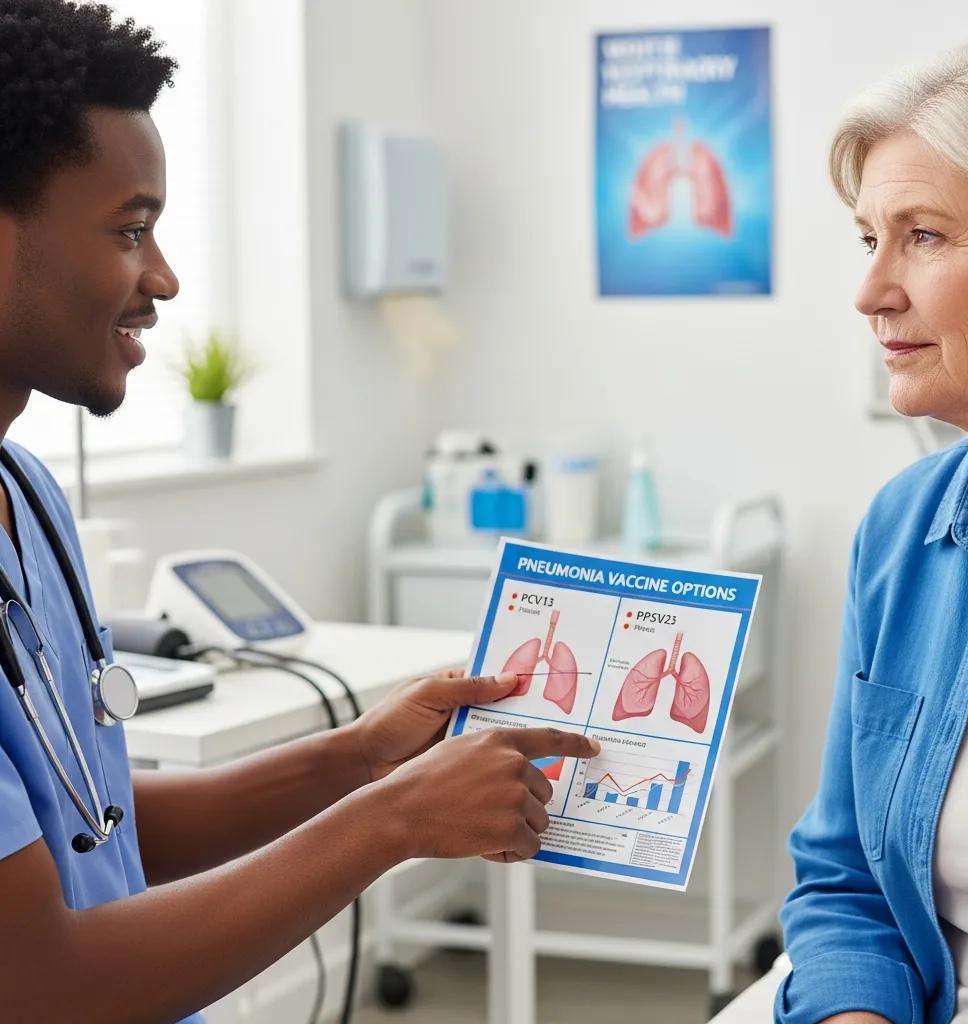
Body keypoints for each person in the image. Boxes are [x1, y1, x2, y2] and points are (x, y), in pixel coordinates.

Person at [0, 3, 598, 1020]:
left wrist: (357, 758)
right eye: (131, 230)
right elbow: (38, 981)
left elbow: (96, 828)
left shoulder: (28, 498)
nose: (163, 277)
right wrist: (389, 821)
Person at [777, 33, 968, 1024]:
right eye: (868, 239)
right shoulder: (901, 532)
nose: (870, 292)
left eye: (922, 236)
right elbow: (847, 879)